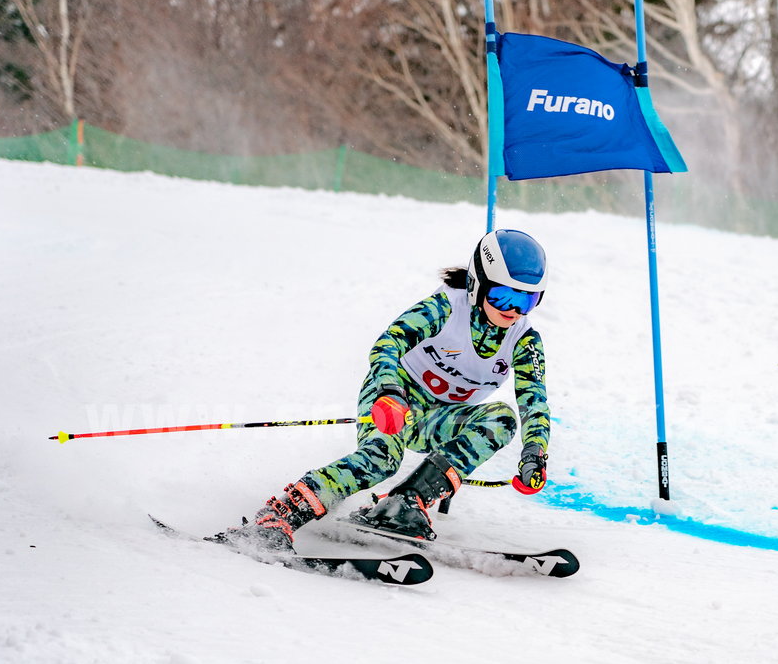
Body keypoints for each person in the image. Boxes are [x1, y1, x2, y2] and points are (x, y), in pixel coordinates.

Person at [214, 228, 551, 551]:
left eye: (527, 299)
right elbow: (388, 344)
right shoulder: (447, 308)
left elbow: (534, 401)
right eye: (503, 295)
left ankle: (406, 501)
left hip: (438, 419)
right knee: (381, 461)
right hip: (393, 399)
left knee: (502, 419)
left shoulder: (524, 340)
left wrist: (534, 454)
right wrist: (389, 391)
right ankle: (278, 517)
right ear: (478, 285)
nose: (512, 309)